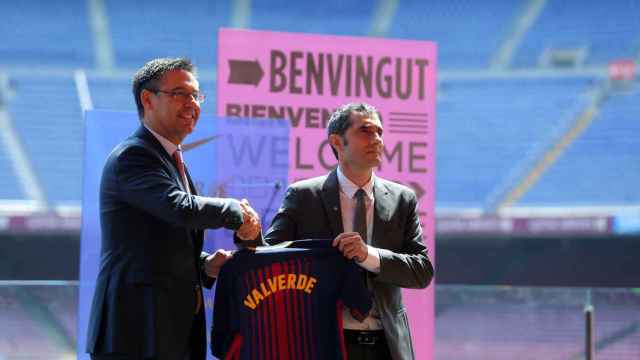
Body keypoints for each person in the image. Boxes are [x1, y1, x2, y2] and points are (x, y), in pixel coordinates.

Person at [86, 57, 260, 360]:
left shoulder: (170, 159)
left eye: (196, 95)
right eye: (180, 94)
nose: (192, 103)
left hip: (170, 331)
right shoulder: (134, 156)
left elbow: (158, 240)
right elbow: (178, 208)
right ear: (147, 99)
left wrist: (204, 265)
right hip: (136, 332)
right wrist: (235, 211)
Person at [262, 103, 434, 360]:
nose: (376, 139)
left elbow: (421, 272)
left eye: (379, 131)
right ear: (337, 142)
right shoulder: (304, 196)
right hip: (323, 343)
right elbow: (269, 256)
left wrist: (368, 255)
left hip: (387, 346)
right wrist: (248, 233)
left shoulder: (403, 199)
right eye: (365, 130)